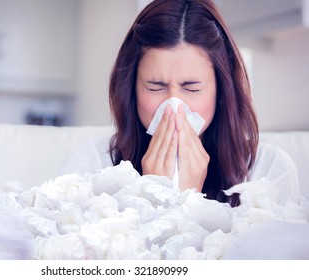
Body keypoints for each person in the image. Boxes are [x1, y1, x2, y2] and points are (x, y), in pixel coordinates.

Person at [60, 0, 299, 207]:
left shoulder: (268, 170)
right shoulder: (90, 163)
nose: (174, 106)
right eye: (156, 87)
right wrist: (155, 194)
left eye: (192, 88)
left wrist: (187, 198)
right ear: (130, 89)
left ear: (221, 91)